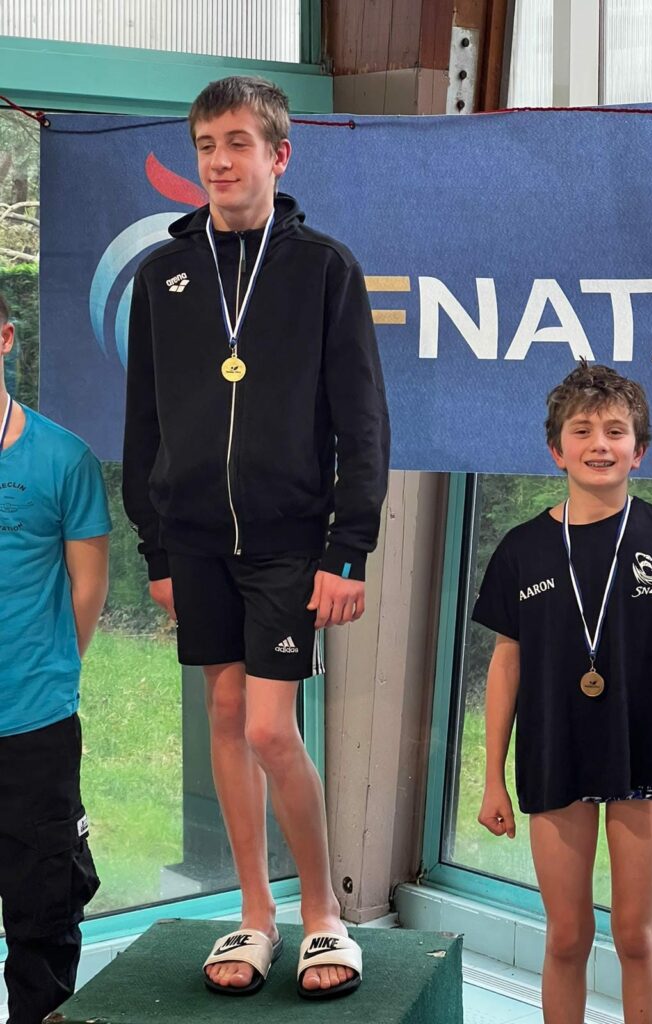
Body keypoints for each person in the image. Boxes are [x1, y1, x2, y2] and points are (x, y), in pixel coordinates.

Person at [123, 75, 389, 1000]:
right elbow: (144, 419)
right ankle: (255, 914)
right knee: (227, 718)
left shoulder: (324, 269)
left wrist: (348, 548)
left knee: (273, 729)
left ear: (279, 155)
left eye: (238, 143)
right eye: (206, 145)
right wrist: (156, 547)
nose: (219, 162)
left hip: (288, 539)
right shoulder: (163, 274)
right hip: (195, 540)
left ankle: (323, 914)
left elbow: (363, 422)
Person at [473, 362, 652, 1024]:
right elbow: (506, 666)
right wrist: (492, 778)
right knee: (565, 938)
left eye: (616, 431)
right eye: (582, 430)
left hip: (646, 754)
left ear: (639, 451)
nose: (599, 444)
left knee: (637, 937)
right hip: (556, 754)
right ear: (556, 450)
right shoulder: (522, 549)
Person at [0, 292, 111, 1024]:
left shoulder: (64, 458)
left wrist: (44, 674)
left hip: (33, 725)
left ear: (6, 338)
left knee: (43, 908)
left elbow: (87, 590)